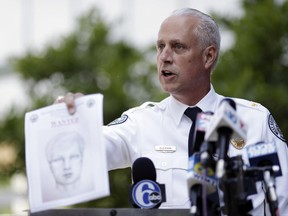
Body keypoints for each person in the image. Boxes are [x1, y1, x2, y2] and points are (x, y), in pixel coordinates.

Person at [54, 8, 288, 215]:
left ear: (208, 56)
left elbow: (283, 201)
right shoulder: (141, 122)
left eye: (177, 47)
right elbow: (90, 152)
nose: (164, 57)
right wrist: (73, 120)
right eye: (160, 47)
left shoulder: (253, 120)